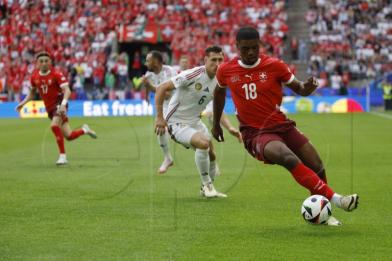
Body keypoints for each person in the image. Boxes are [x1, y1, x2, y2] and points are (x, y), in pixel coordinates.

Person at [212, 27, 359, 225]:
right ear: (237, 47)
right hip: (255, 133)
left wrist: (307, 88)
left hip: (282, 125)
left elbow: (299, 88)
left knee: (317, 165)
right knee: (287, 157)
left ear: (260, 45)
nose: (250, 53)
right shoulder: (226, 70)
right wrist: (216, 124)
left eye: (254, 48)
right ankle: (337, 199)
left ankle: (324, 215)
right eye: (245, 49)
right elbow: (219, 94)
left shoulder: (274, 65)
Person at [155, 46, 241, 198]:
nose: (218, 63)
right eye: (213, 60)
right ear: (205, 60)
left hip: (194, 121)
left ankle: (206, 188)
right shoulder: (193, 74)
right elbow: (162, 88)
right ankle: (207, 186)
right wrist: (160, 117)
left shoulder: (220, 80)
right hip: (176, 122)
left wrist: (230, 128)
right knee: (203, 144)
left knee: (212, 155)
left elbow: (217, 108)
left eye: (220, 60)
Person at [16, 51, 97, 165]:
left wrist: (63, 105)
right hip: (49, 108)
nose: (44, 63)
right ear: (37, 64)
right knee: (69, 136)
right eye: (41, 61)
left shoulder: (56, 74)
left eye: (46, 61)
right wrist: (23, 103)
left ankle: (62, 157)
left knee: (54, 126)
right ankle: (85, 130)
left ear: (50, 62)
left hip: (59, 104)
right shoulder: (34, 76)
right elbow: (32, 93)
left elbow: (67, 91)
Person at [142, 50, 177, 174]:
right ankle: (167, 158)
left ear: (156, 61)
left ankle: (211, 161)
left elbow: (167, 94)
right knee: (159, 128)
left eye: (148, 60)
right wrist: (146, 95)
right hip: (163, 106)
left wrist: (149, 86)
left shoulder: (169, 71)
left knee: (189, 136)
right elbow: (147, 85)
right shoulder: (149, 74)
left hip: (175, 103)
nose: (146, 63)